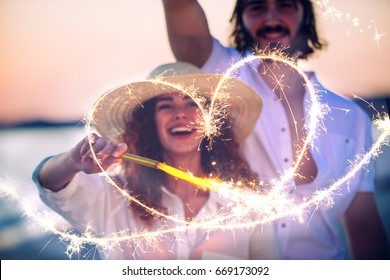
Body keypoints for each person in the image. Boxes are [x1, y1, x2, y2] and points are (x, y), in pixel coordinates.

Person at [162, 0, 389, 259]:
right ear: (241, 19)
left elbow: (364, 226)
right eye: (256, 7)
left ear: (305, 17)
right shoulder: (223, 77)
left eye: (285, 5)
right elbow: (179, 8)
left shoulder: (352, 118)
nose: (271, 18)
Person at [32, 62, 279, 260]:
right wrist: (73, 161)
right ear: (149, 122)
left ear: (211, 122)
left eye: (192, 104)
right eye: (165, 106)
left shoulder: (248, 204)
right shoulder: (115, 196)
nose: (180, 113)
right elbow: (48, 182)